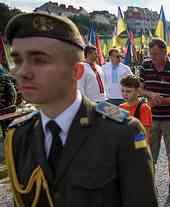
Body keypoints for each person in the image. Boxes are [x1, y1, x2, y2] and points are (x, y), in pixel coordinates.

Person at [4, 12, 157, 206]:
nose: (22, 71)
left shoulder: (122, 131)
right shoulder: (19, 135)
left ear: (76, 71)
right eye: (17, 60)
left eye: (40, 60)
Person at [139, 38, 170, 202]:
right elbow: (139, 89)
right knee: (150, 155)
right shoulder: (145, 66)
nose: (154, 57)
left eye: (157, 54)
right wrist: (151, 95)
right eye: (151, 54)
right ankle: (151, 186)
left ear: (165, 52)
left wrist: (162, 100)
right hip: (149, 118)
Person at [120, 75, 152, 144]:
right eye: (122, 91)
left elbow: (145, 134)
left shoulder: (144, 108)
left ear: (137, 91)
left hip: (136, 147)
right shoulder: (121, 107)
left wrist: (138, 151)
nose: (124, 94)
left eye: (128, 91)